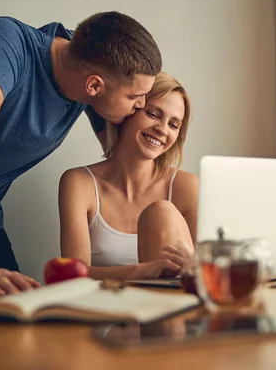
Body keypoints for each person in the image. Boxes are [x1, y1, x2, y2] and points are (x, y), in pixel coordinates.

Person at [0, 11, 163, 300]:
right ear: (94, 85)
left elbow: (122, 154)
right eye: (134, 97)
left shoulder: (87, 70)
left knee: (13, 317)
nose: (141, 105)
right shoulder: (5, 41)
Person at [58, 72, 198, 280]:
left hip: (169, 305)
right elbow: (73, 275)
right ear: (129, 111)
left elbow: (208, 270)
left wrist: (193, 264)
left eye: (173, 125)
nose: (162, 130)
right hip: (106, 307)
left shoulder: (185, 186)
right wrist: (142, 271)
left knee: (161, 212)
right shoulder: (79, 183)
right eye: (153, 114)